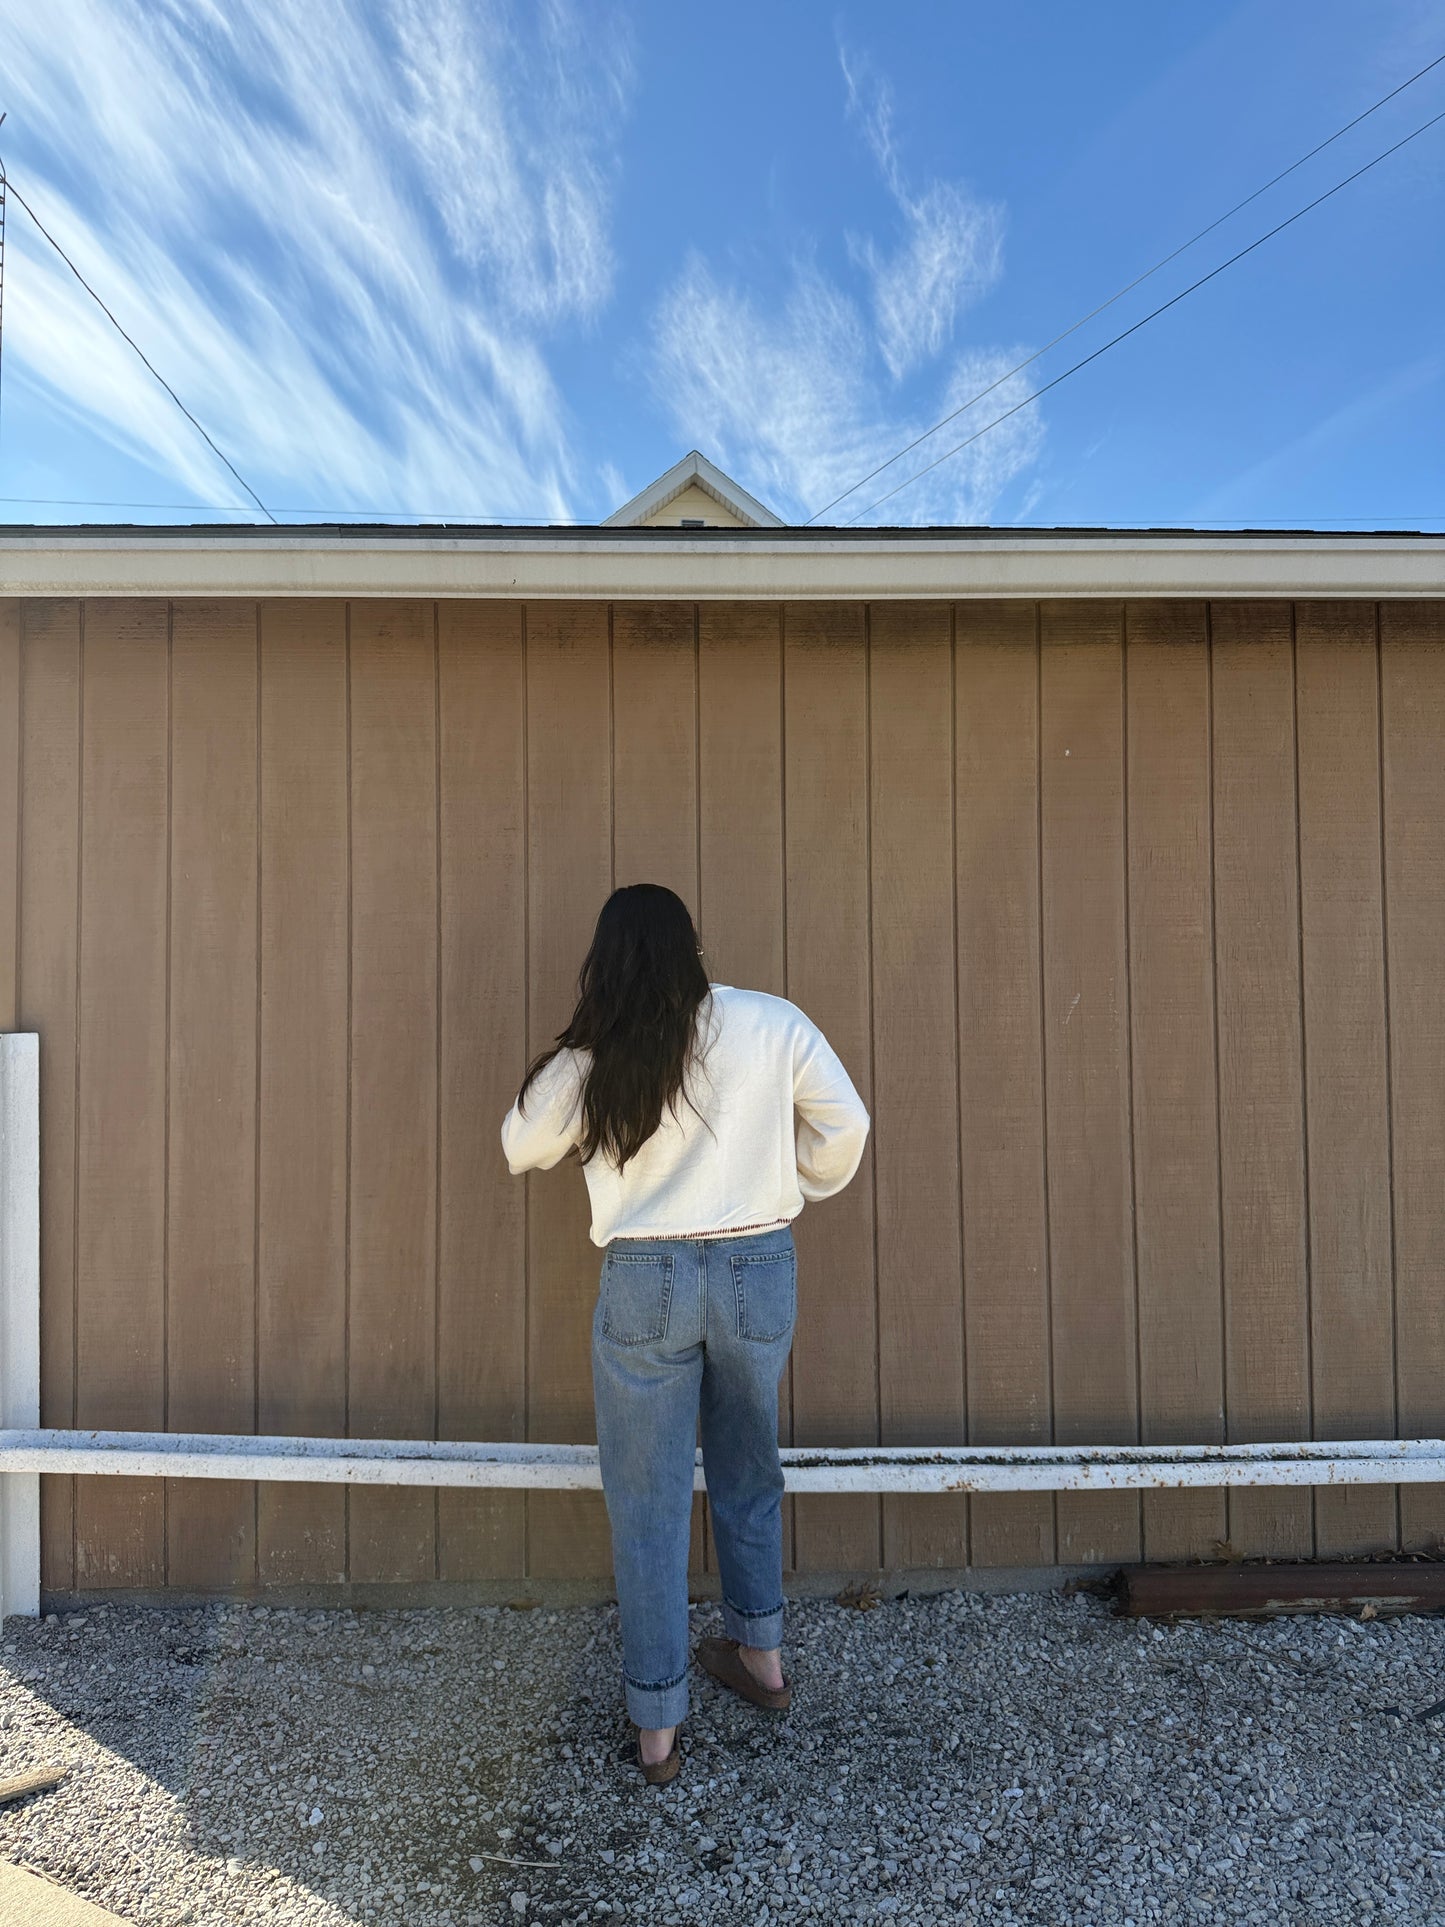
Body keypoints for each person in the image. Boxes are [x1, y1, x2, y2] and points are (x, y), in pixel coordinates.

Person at [499, 883, 871, 1786]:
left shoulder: (599, 1052)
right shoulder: (769, 1021)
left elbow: (520, 1144)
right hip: (756, 1266)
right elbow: (846, 1125)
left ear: (608, 962)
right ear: (692, 947)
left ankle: (658, 1730)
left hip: (647, 1279)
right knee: (749, 1466)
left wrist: (584, 1046)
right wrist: (797, 1187)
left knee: (650, 1503)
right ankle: (763, 1661)